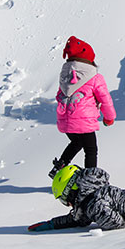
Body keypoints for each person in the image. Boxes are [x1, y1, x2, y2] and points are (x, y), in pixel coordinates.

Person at [48, 36, 116, 178]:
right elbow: (105, 99)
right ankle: (91, 180)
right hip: (84, 122)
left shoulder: (65, 75)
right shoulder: (95, 77)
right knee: (91, 150)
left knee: (76, 142)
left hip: (65, 121)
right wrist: (109, 118)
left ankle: (59, 166)